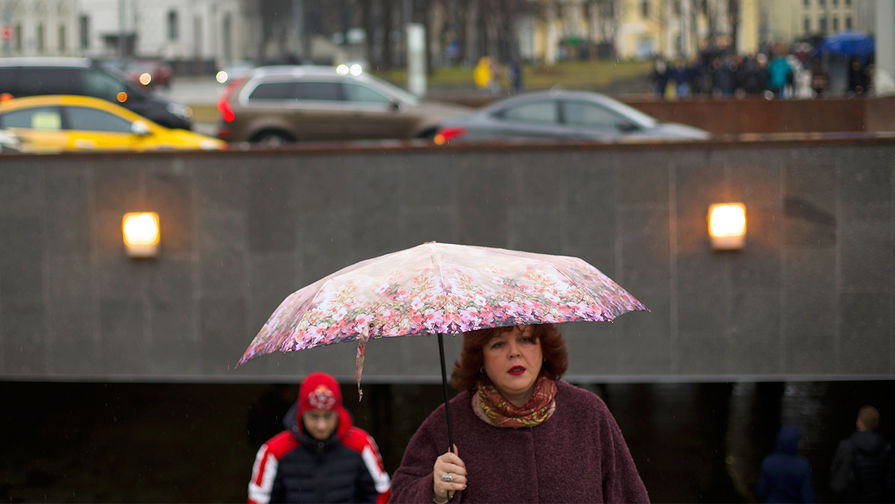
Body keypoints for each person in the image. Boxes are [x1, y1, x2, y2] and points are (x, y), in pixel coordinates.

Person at [389, 324, 649, 503]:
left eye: (525, 339)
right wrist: (432, 492)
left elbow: (629, 495)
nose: (514, 352)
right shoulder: (446, 424)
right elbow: (401, 495)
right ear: (480, 358)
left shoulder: (588, 413)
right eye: (498, 344)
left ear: (543, 349)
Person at [248, 372, 391, 504]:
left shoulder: (361, 444)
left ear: (338, 412)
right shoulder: (275, 451)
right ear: (301, 413)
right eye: (314, 416)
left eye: (328, 416)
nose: (321, 425)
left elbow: (382, 493)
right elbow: (259, 499)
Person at [830, 405, 895, 503]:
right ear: (876, 424)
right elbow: (890, 482)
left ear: (859, 422)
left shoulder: (846, 446)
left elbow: (835, 472)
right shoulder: (886, 448)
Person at [756, 424, 815, 503]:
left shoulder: (768, 462)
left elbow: (761, 492)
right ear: (796, 442)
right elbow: (807, 497)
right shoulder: (803, 465)